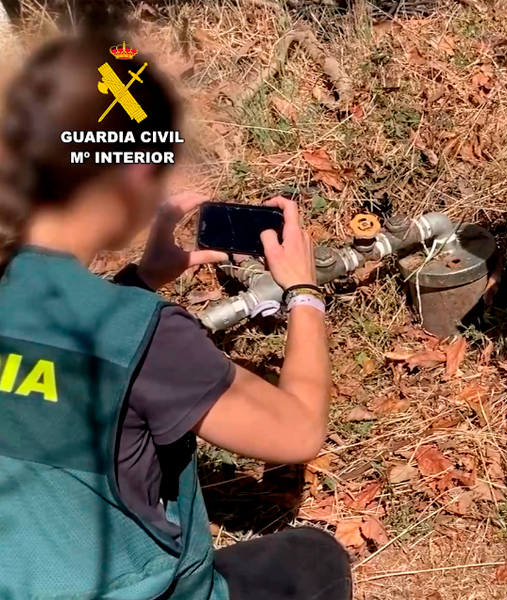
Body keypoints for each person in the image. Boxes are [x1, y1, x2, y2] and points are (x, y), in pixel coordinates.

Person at [0, 33, 351, 599]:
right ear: (136, 175)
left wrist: (139, 279)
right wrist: (304, 293)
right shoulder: (145, 334)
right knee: (315, 559)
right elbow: (298, 429)